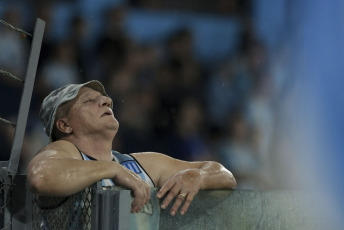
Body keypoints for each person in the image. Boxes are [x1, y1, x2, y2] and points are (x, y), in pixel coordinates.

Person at [27, 80, 236, 217]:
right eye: (89, 101)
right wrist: (113, 170)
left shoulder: (140, 163)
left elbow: (225, 175)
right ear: (64, 125)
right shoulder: (65, 151)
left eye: (105, 100)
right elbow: (40, 177)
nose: (106, 101)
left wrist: (197, 176)